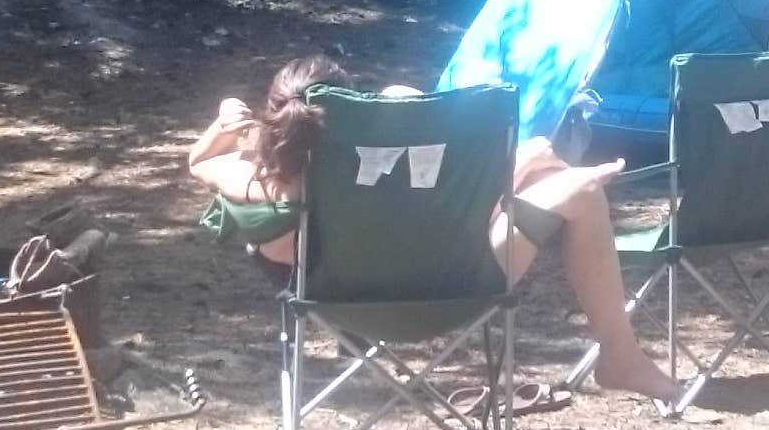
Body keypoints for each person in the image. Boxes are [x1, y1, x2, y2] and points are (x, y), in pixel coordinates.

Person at [187, 55, 683, 404]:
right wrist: (523, 164)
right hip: (457, 291)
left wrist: (223, 128)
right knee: (582, 190)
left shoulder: (264, 182)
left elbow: (198, 162)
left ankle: (622, 358)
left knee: (557, 177)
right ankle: (620, 354)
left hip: (346, 304)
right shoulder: (404, 166)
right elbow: (461, 208)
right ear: (356, 107)